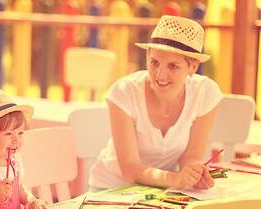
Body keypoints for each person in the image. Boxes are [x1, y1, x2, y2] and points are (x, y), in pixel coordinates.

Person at [89, 15, 223, 191]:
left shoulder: (205, 93)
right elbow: (130, 169)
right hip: (111, 190)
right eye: (154, 63)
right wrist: (177, 179)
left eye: (173, 66)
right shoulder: (124, 92)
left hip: (160, 191)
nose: (159, 74)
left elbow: (190, 157)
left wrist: (194, 174)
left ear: (193, 67)